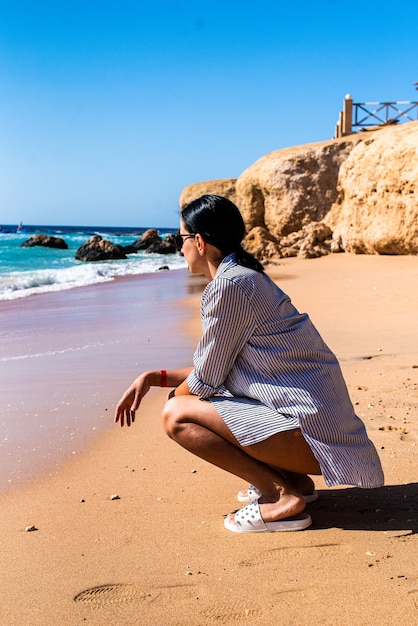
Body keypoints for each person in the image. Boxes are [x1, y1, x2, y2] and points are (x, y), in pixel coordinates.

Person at [115, 194, 384, 533]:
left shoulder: (230, 287)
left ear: (199, 242)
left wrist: (174, 397)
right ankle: (294, 482)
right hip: (323, 432)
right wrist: (154, 377)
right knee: (197, 401)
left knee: (176, 414)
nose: (178, 247)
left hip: (317, 439)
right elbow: (213, 366)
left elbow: (205, 380)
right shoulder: (245, 277)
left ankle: (281, 494)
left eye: (179, 239)